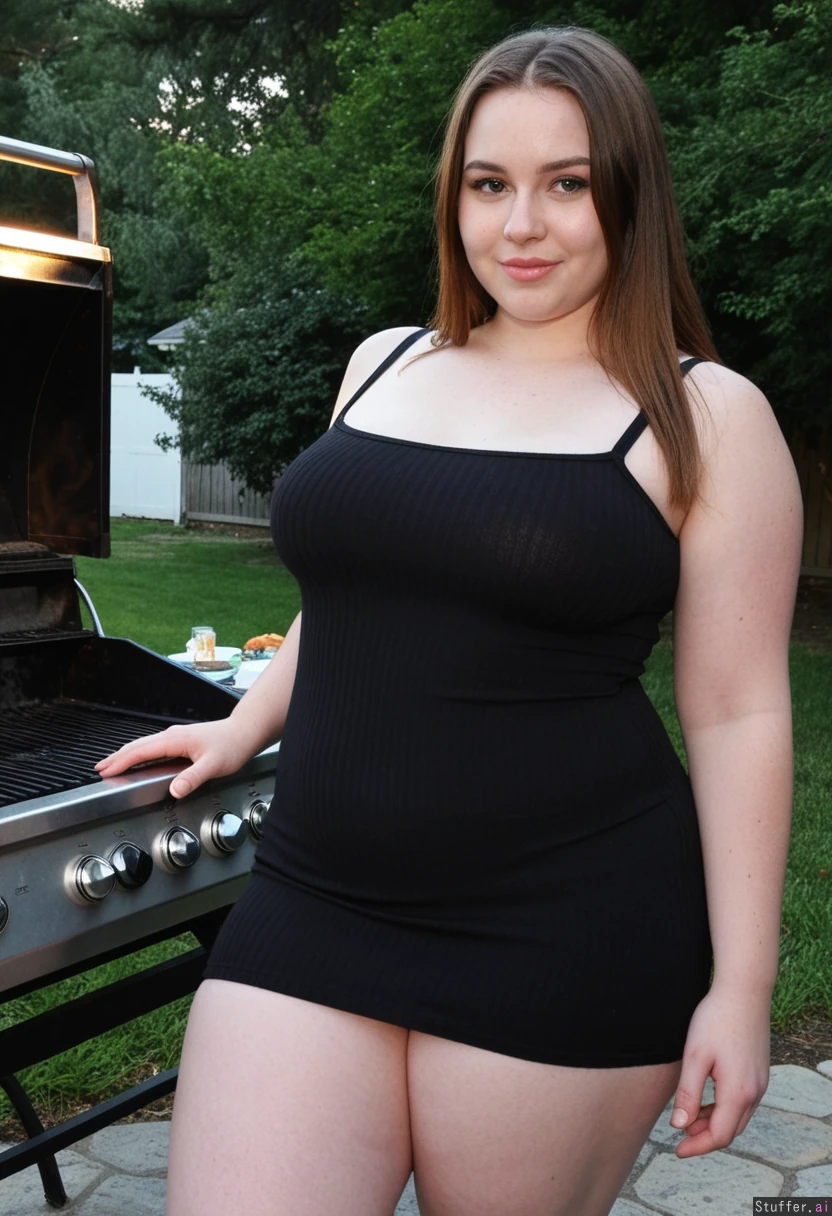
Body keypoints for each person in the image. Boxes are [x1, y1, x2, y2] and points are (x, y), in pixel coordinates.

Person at [95, 25, 803, 1216]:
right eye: (488, 184)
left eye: (566, 184)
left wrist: (741, 988)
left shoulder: (707, 415)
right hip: (315, 894)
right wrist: (245, 722)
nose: (520, 224)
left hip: (562, 924)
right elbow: (352, 592)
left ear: (629, 194)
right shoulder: (386, 361)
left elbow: (737, 713)